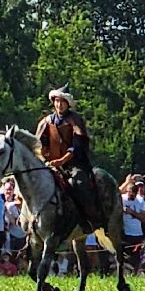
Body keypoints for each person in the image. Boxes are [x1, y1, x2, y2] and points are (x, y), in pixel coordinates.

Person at [35, 87, 101, 230]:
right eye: (57, 101)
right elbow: (39, 144)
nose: (59, 105)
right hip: (51, 163)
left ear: (67, 104)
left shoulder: (74, 120)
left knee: (78, 182)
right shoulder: (46, 121)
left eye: (62, 102)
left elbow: (76, 146)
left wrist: (62, 160)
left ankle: (89, 218)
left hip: (73, 163)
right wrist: (45, 158)